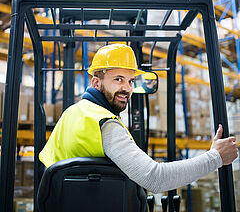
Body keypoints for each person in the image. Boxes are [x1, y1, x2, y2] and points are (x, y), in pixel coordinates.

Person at [39, 43, 238, 194]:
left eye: (131, 80)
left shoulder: (72, 113)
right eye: (118, 79)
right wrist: (215, 158)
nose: (126, 88)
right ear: (96, 83)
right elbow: (155, 179)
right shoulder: (104, 123)